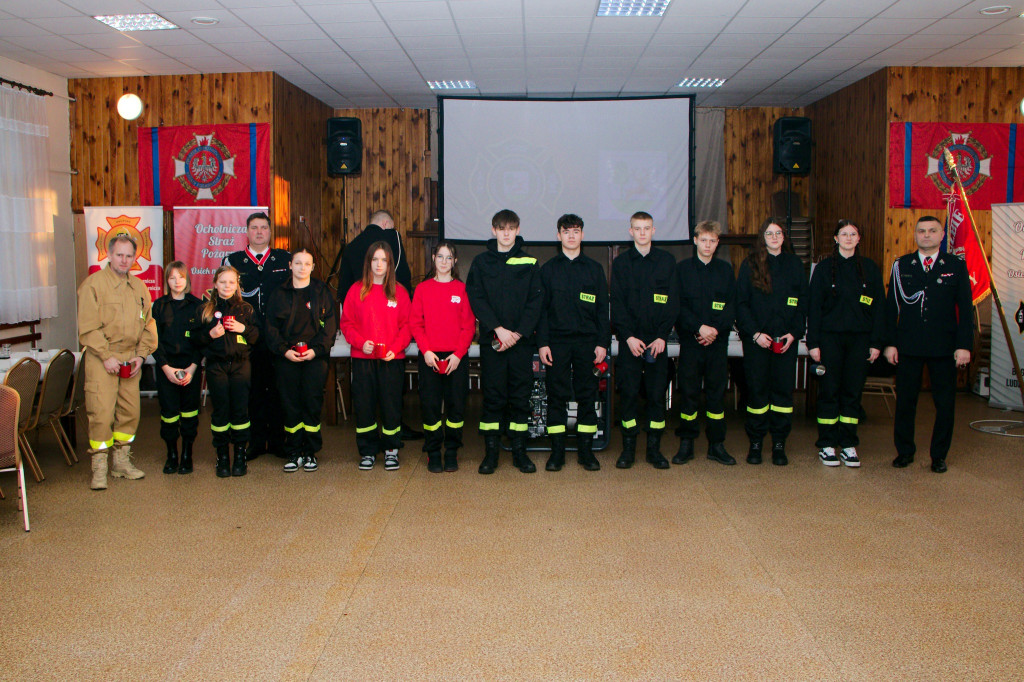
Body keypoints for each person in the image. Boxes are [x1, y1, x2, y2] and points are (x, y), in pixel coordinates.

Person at [884, 215, 974, 474]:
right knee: (905, 402)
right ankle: (904, 452)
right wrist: (890, 343)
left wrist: (964, 345)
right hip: (908, 345)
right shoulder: (902, 265)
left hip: (944, 347)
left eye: (932, 231)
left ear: (942, 234)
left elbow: (966, 310)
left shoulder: (955, 265)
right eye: (921, 231)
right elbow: (892, 308)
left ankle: (939, 456)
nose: (926, 235)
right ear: (915, 234)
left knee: (945, 404)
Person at [466, 209, 544, 474]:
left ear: (518, 230)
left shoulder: (530, 262)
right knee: (494, 398)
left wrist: (518, 333)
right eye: (502, 228)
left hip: (521, 343)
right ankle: (491, 455)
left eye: (511, 228)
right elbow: (476, 299)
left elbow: (536, 302)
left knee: (521, 398)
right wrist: (498, 329)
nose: (506, 233)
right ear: (493, 230)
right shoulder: (481, 262)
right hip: (494, 343)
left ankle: (520, 453)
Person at [77, 233, 158, 490]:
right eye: (119, 255)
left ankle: (121, 463)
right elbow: (88, 327)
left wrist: (141, 355)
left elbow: (149, 324)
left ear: (134, 258)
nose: (124, 260)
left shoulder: (139, 287)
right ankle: (99, 469)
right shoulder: (93, 285)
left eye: (129, 256)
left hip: (130, 358)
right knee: (100, 413)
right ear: (109, 255)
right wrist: (105, 355)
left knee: (130, 412)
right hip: (102, 357)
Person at [807, 220, 886, 468]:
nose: (849, 238)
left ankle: (849, 444)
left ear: (859, 238)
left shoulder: (870, 269)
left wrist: (876, 343)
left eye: (853, 234)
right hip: (829, 340)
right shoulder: (823, 270)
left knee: (852, 393)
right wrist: (813, 343)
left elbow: (879, 309)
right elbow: (814, 309)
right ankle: (827, 444)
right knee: (829, 392)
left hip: (860, 341)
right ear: (836, 238)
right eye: (844, 234)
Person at [537, 213, 609, 472]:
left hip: (588, 344)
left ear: (582, 235)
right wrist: (543, 343)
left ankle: (586, 452)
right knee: (556, 396)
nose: (571, 235)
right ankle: (556, 453)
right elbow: (541, 311)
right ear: (558, 236)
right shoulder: (548, 270)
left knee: (587, 396)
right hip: (556, 343)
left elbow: (603, 310)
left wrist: (602, 343)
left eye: (576, 231)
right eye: (566, 231)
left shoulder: (594, 269)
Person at [735, 218, 808, 466]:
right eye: (769, 232)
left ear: (784, 237)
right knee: (757, 393)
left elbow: (803, 303)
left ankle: (779, 443)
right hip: (757, 342)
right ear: (762, 237)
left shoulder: (795, 265)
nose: (774, 236)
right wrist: (755, 334)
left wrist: (794, 333)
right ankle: (755, 443)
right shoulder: (750, 264)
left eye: (778, 233)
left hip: (785, 342)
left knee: (782, 395)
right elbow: (741, 304)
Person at [610, 211, 678, 470]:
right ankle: (628, 449)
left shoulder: (667, 261)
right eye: (637, 228)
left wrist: (662, 336)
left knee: (656, 396)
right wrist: (627, 337)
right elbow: (616, 304)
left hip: (657, 344)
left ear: (653, 230)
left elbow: (673, 303)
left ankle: (654, 450)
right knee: (627, 395)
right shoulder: (621, 264)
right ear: (630, 232)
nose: (641, 233)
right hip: (630, 343)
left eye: (646, 228)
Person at [263, 248, 338, 474]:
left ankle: (310, 452)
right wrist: (284, 351)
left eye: (307, 264)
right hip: (287, 358)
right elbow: (271, 328)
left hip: (315, 359)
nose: (302, 267)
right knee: (290, 405)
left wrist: (316, 351)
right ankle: (294, 451)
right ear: (290, 266)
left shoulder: (321, 291)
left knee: (312, 404)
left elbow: (330, 327)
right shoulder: (279, 294)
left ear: (313, 267)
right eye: (298, 263)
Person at [223, 212, 291, 460]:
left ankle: (276, 441)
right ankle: (255, 440)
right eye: (254, 228)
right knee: (251, 391)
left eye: (264, 227)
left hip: (277, 338)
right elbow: (225, 297)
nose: (259, 232)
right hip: (247, 339)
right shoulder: (233, 260)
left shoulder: (285, 259)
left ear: (270, 232)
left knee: (277, 390)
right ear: (247, 231)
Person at [340, 242, 412, 471]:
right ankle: (368, 450)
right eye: (375, 260)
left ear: (390, 264)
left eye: (384, 260)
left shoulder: (399, 291)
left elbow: (408, 326)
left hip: (392, 360)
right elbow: (347, 324)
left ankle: (391, 450)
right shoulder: (355, 290)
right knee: (365, 406)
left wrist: (396, 348)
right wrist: (362, 344)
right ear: (368, 262)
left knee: (391, 407)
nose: (379, 265)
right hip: (363, 360)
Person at [672, 220, 736, 466]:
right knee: (688, 395)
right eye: (704, 240)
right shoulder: (682, 270)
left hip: (717, 344)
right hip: (691, 342)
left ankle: (716, 445)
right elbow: (678, 306)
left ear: (717, 243)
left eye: (712, 240)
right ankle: (686, 444)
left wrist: (715, 330)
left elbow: (731, 305)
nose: (707, 244)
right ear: (695, 240)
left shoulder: (725, 270)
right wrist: (699, 328)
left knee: (716, 396)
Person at [409, 241, 475, 473]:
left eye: (449, 258)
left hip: (456, 359)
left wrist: (458, 355)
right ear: (434, 259)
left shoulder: (462, 290)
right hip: (430, 357)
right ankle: (434, 451)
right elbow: (416, 324)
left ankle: (452, 450)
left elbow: (468, 327)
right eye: (441, 257)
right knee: (430, 406)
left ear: (455, 262)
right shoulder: (422, 289)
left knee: (456, 407)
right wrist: (426, 351)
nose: (444, 262)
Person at [194, 265, 259, 478]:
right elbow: (196, 341)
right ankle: (222, 457)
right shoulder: (205, 310)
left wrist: (244, 329)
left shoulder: (246, 309)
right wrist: (210, 334)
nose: (227, 286)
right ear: (214, 284)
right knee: (221, 412)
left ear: (237, 285)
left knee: (240, 411)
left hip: (241, 366)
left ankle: (240, 456)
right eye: (223, 282)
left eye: (232, 282)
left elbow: (258, 337)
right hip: (216, 367)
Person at [152, 261, 203, 475]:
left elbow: (201, 341)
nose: (177, 281)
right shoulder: (159, 306)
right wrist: (166, 368)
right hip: (167, 370)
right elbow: (154, 341)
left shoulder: (197, 305)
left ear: (187, 280)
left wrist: (192, 369)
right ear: (167, 281)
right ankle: (172, 454)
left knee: (190, 414)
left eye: (181, 277)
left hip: (191, 368)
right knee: (169, 414)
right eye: (172, 278)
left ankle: (186, 454)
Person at [337, 209, 412, 296]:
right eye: (392, 227)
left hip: (360, 298)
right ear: (385, 223)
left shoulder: (350, 247)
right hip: (387, 297)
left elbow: (344, 285)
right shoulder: (393, 236)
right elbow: (403, 274)